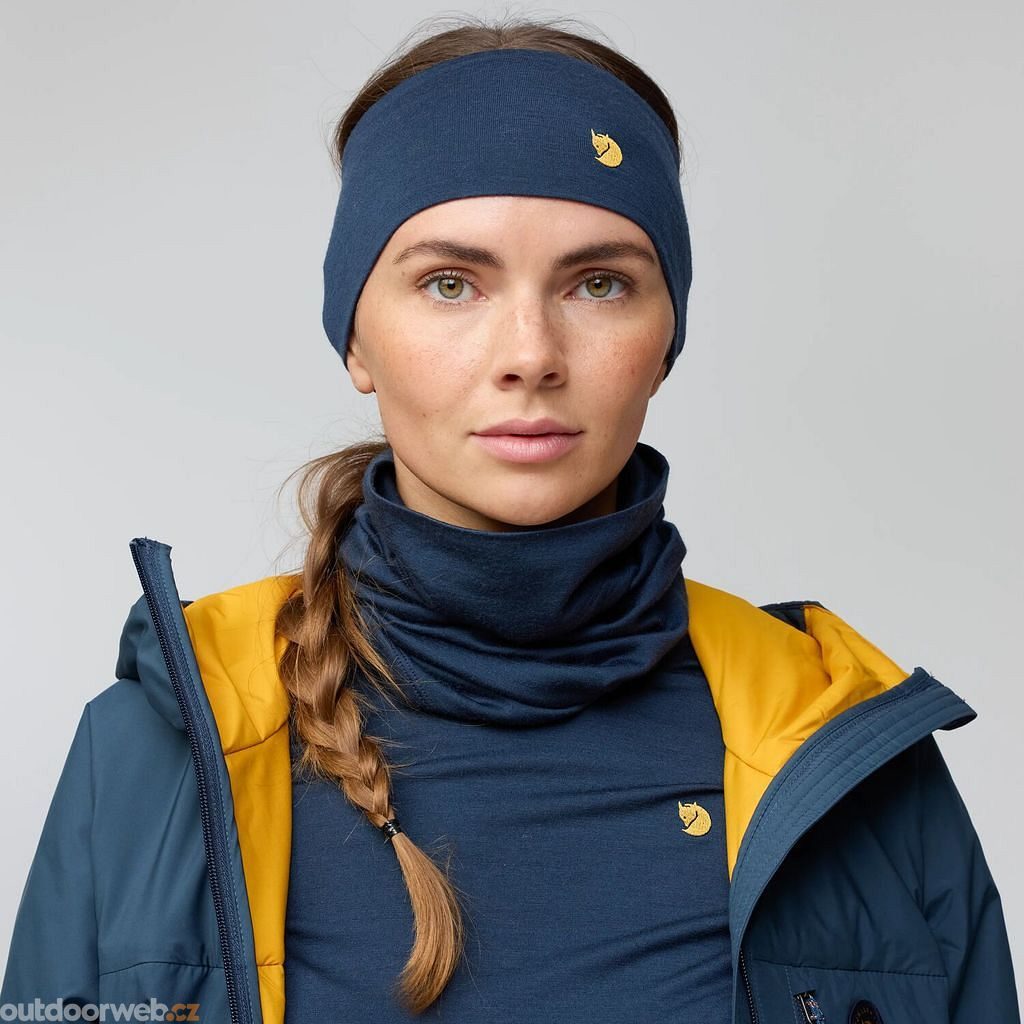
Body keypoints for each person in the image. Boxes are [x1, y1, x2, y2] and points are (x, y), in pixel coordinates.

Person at [1, 13, 1018, 1024]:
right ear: (355, 338)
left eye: (599, 283)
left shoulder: (844, 751)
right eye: (451, 283)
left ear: (666, 338)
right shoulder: (153, 751)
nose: (530, 353)